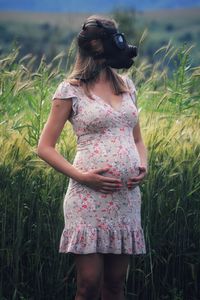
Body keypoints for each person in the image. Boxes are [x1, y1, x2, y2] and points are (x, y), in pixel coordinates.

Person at [37, 14, 148, 300]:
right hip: (88, 196)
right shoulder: (70, 90)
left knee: (114, 285)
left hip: (125, 197)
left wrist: (143, 164)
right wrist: (83, 177)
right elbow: (44, 147)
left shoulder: (127, 86)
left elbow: (137, 138)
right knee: (88, 285)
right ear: (95, 45)